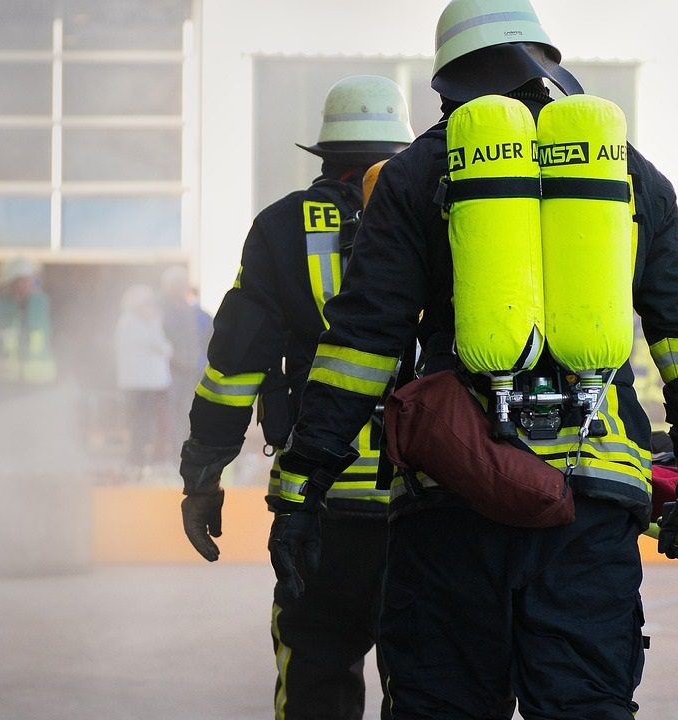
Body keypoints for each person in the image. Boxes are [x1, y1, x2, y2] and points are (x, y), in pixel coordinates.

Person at [263, 2, 678, 717]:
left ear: (447, 80)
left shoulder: (417, 172)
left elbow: (363, 341)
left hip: (454, 489)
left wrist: (304, 482)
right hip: (591, 490)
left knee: (442, 704)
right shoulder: (625, 173)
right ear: (545, 63)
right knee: (584, 705)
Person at [178, 75, 413, 719]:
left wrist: (204, 471)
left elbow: (235, 363)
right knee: (429, 685)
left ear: (325, 153)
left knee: (315, 674)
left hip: (320, 500)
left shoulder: (280, 228)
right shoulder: (442, 216)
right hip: (425, 498)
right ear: (401, 146)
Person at [0, 256, 57, 403]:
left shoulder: (43, 303)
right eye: (19, 280)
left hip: (40, 380)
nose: (24, 284)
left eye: (27, 279)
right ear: (10, 282)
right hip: (7, 381)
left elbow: (57, 334)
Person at [117, 284, 173, 471]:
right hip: (143, 385)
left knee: (144, 424)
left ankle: (140, 459)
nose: (152, 308)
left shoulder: (137, 323)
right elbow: (163, 348)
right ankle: (138, 460)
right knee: (142, 425)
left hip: (147, 384)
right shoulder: (135, 324)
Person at [160, 266, 205, 460]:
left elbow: (195, 339)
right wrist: (176, 359)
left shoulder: (189, 310)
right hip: (170, 371)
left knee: (186, 413)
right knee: (169, 414)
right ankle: (171, 455)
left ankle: (184, 453)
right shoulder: (163, 310)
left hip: (189, 371)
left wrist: (193, 361)